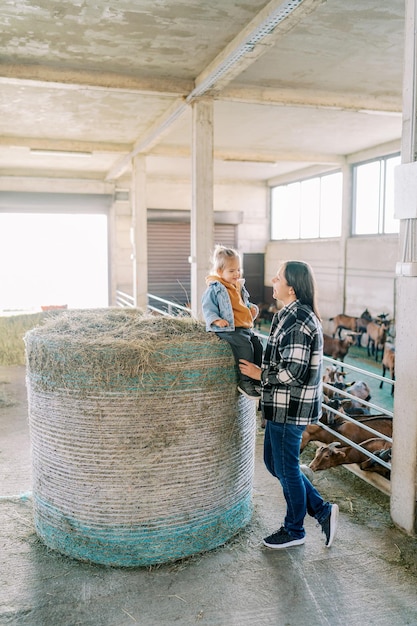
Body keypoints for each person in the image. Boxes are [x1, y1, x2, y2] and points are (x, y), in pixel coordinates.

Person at [239, 260, 339, 548]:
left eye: (278, 277)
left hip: (290, 406)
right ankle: (321, 510)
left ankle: (294, 530)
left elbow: (293, 371)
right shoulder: (287, 314)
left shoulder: (298, 320)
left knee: (287, 467)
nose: (273, 280)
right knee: (276, 463)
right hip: (281, 404)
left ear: (292, 288)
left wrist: (260, 374)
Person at [202, 245, 263, 400]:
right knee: (245, 346)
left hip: (243, 326)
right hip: (228, 327)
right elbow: (208, 307)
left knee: (257, 344)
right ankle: (245, 381)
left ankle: (256, 378)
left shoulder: (238, 286)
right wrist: (216, 320)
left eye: (238, 269)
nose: (236, 274)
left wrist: (251, 309)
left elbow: (243, 304)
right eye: (231, 271)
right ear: (219, 271)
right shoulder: (215, 288)